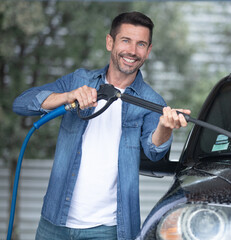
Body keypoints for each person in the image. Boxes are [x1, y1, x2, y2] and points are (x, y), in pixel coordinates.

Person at [12, 11, 190, 240]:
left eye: (141, 44)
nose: (132, 51)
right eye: (126, 40)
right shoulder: (79, 81)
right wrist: (67, 96)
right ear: (110, 42)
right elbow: (22, 104)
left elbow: (154, 153)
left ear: (148, 51)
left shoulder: (152, 102)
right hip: (54, 222)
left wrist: (165, 127)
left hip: (109, 229)